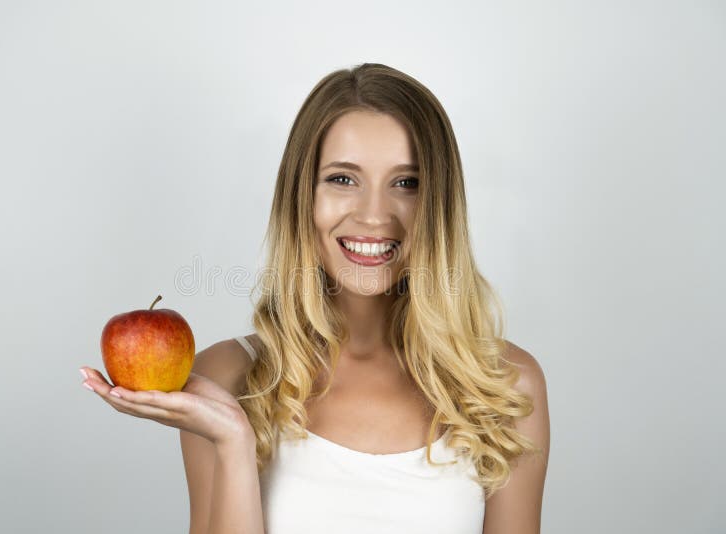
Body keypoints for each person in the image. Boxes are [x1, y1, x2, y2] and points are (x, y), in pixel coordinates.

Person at [80, 62, 550, 534]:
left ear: (439, 205)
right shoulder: (225, 378)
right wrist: (233, 442)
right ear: (301, 195)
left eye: (407, 183)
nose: (373, 216)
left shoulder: (505, 389)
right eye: (343, 179)